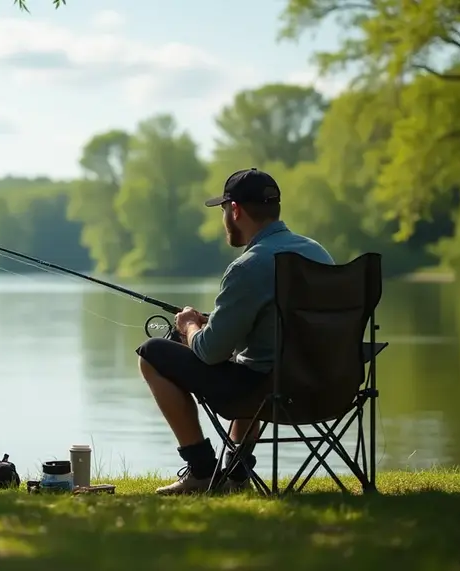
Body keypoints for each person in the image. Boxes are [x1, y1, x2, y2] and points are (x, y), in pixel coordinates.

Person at [135, 167, 334, 495]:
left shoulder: (249, 266)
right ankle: (236, 474)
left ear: (236, 210)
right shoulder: (317, 253)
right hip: (327, 385)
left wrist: (189, 326)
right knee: (250, 359)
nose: (225, 217)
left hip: (269, 390)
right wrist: (216, 324)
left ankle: (201, 471)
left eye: (224, 210)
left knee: (152, 353)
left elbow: (210, 352)